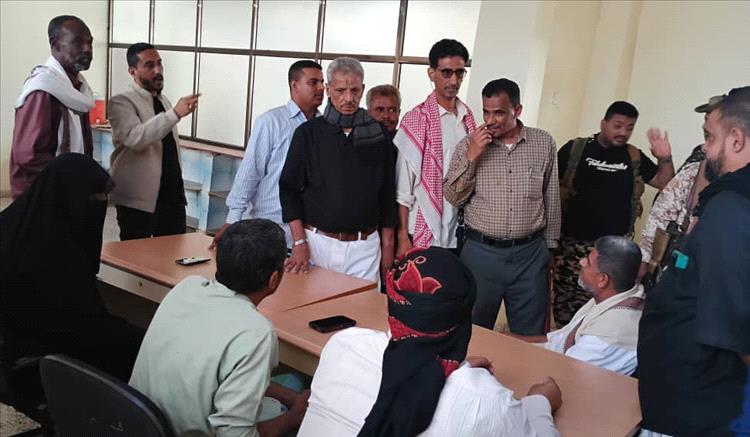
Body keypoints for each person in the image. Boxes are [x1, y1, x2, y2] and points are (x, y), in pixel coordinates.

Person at [298, 247, 561, 437]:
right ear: (469, 313)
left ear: (392, 304)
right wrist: (540, 401)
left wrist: (459, 371)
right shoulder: (487, 400)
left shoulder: (342, 345)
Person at [129, 219, 310, 437]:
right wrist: (293, 418)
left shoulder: (187, 287)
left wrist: (292, 398)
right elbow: (236, 435)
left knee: (291, 386)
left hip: (138, 423)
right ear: (274, 279)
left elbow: (229, 375)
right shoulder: (257, 333)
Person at [638, 86, 750, 436]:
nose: (705, 148)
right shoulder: (727, 200)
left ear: (736, 139)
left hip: (699, 411)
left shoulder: (731, 210)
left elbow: (734, 324)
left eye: (710, 137)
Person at [0, 154, 144, 385]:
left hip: (17, 352)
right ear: (71, 197)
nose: (101, 204)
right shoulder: (55, 258)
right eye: (95, 198)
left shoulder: (15, 224)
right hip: (42, 362)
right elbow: (84, 329)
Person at [444, 78, 560, 335]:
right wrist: (472, 157)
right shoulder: (468, 145)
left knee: (530, 335)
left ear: (517, 111)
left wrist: (550, 249)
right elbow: (453, 197)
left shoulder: (543, 143)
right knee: (470, 331)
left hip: (530, 256)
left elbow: (551, 197)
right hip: (480, 254)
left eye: (498, 113)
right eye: (486, 112)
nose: (490, 120)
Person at [554, 101, 675, 326]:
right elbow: (548, 186)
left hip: (615, 253)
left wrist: (664, 159)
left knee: (606, 315)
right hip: (573, 249)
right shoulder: (576, 149)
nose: (623, 133)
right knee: (566, 313)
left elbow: (666, 185)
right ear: (604, 123)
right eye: (617, 126)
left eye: (629, 128)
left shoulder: (633, 156)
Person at [279, 57, 397, 283]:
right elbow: (288, 190)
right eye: (341, 90)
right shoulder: (308, 134)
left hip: (365, 249)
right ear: (328, 89)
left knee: (363, 307)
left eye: (355, 90)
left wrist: (388, 247)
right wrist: (299, 242)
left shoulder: (378, 135)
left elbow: (387, 194)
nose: (348, 98)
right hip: (317, 244)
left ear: (363, 89)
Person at [211, 60, 325, 249]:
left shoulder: (324, 126)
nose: (321, 88)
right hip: (270, 228)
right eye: (313, 82)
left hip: (310, 231)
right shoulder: (272, 122)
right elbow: (250, 172)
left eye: (322, 82)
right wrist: (232, 220)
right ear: (294, 85)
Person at [512, 236, 644, 376]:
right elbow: (559, 340)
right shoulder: (615, 297)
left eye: (588, 262)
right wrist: (512, 341)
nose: (581, 262)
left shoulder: (607, 335)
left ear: (602, 279)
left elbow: (565, 374)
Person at [108, 42, 200, 240]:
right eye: (149, 65)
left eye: (159, 63)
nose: (157, 70)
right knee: (136, 254)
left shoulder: (163, 100)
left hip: (172, 197)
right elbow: (135, 138)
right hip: (137, 201)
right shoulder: (121, 101)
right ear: (132, 71)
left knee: (173, 253)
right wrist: (174, 114)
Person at [394, 39, 477, 254]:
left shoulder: (468, 118)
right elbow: (403, 188)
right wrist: (402, 237)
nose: (454, 80)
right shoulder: (416, 119)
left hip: (458, 232)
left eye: (460, 73)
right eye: (446, 72)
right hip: (422, 231)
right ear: (431, 73)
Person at [638, 96, 724, 282]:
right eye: (706, 116)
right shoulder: (698, 159)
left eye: (711, 115)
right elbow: (664, 208)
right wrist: (645, 258)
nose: (706, 121)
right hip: (679, 262)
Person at [10, 15, 95, 199]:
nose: (87, 49)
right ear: (55, 44)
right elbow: (29, 156)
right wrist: (77, 176)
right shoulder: (43, 90)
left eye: (90, 42)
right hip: (42, 197)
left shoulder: (78, 90)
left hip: (69, 192)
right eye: (78, 42)